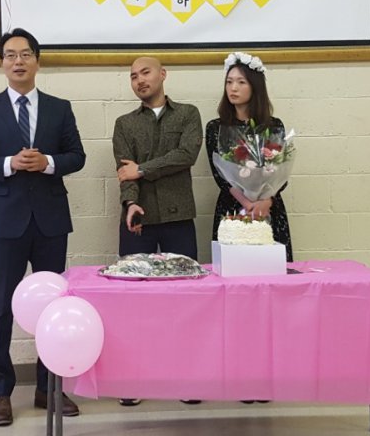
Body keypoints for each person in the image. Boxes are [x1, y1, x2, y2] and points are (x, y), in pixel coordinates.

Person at [0, 28, 86, 427]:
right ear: (2, 62)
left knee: (53, 305)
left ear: (37, 60)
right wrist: (8, 164)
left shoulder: (59, 108)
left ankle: (49, 387)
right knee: (0, 307)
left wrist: (48, 162)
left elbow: (77, 156)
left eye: (25, 54)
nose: (18, 61)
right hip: (5, 223)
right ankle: (0, 393)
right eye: (10, 54)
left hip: (50, 221)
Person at [112, 56, 203, 407]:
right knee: (133, 302)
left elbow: (186, 155)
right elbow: (124, 171)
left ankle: (188, 377)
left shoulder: (188, 115)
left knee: (186, 300)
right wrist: (130, 202)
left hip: (179, 218)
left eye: (145, 72)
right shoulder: (124, 124)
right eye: (133, 76)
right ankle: (133, 378)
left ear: (163, 74)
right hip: (140, 220)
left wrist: (143, 169)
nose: (139, 80)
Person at [205, 52, 292, 262]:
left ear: (255, 86)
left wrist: (266, 201)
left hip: (268, 207)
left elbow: (281, 171)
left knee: (271, 268)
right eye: (229, 82)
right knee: (234, 268)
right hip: (232, 206)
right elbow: (220, 176)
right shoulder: (216, 127)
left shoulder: (274, 125)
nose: (233, 88)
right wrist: (247, 203)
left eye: (241, 82)